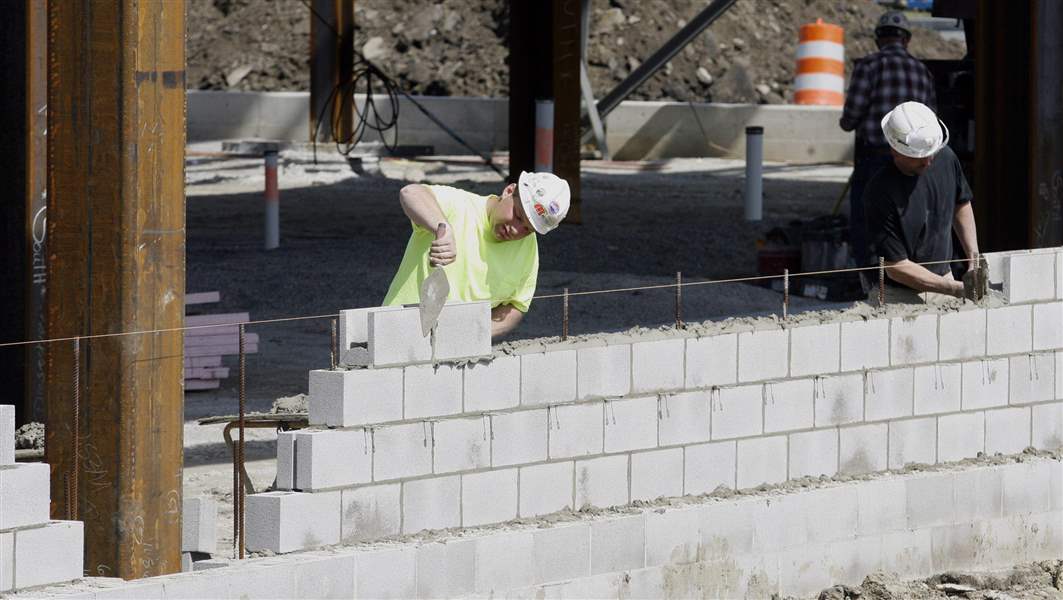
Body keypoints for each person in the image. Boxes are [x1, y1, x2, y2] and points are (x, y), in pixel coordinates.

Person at [382, 171, 571, 337]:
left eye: (528, 229)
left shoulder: (527, 247)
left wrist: (474, 333)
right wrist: (443, 226)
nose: (516, 230)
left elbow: (516, 306)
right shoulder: (460, 206)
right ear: (509, 191)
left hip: (456, 355)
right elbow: (410, 193)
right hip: (397, 333)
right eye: (518, 215)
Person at [840, 10, 937, 273]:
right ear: (906, 40)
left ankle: (870, 279)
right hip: (914, 160)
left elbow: (850, 118)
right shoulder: (923, 72)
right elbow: (932, 121)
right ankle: (911, 273)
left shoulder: (868, 67)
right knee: (911, 217)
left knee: (868, 220)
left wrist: (850, 123)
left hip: (875, 158)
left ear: (878, 39)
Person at [864, 101, 985, 304]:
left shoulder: (945, 157)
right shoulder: (879, 190)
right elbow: (896, 267)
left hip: (945, 280)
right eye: (918, 157)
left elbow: (960, 204)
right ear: (895, 150)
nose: (928, 161)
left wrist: (973, 260)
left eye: (931, 153)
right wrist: (956, 289)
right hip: (899, 295)